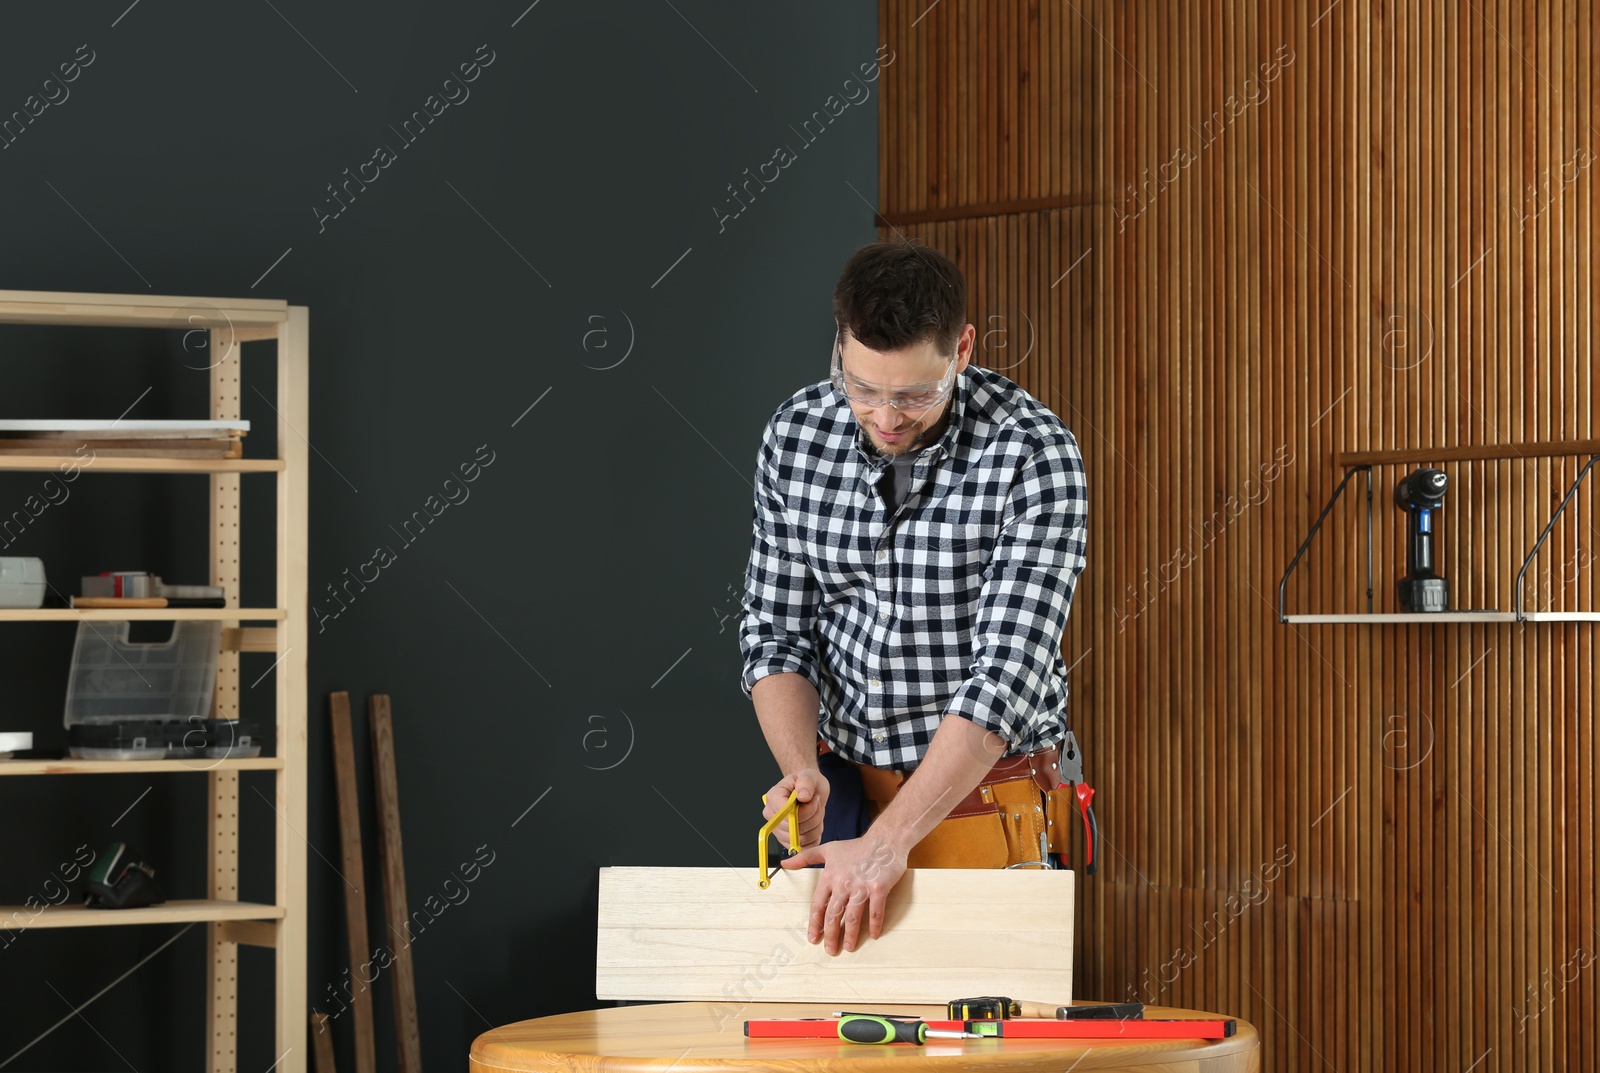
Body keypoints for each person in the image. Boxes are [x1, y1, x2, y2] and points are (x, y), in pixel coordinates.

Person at [738, 239, 1089, 958]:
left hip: (987, 802)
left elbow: (1003, 685)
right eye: (862, 388)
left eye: (913, 395)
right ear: (839, 345)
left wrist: (889, 843)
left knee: (984, 1052)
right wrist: (801, 768)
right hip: (844, 798)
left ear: (962, 349)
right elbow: (775, 632)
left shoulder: (1033, 454)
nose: (886, 416)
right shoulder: (796, 434)